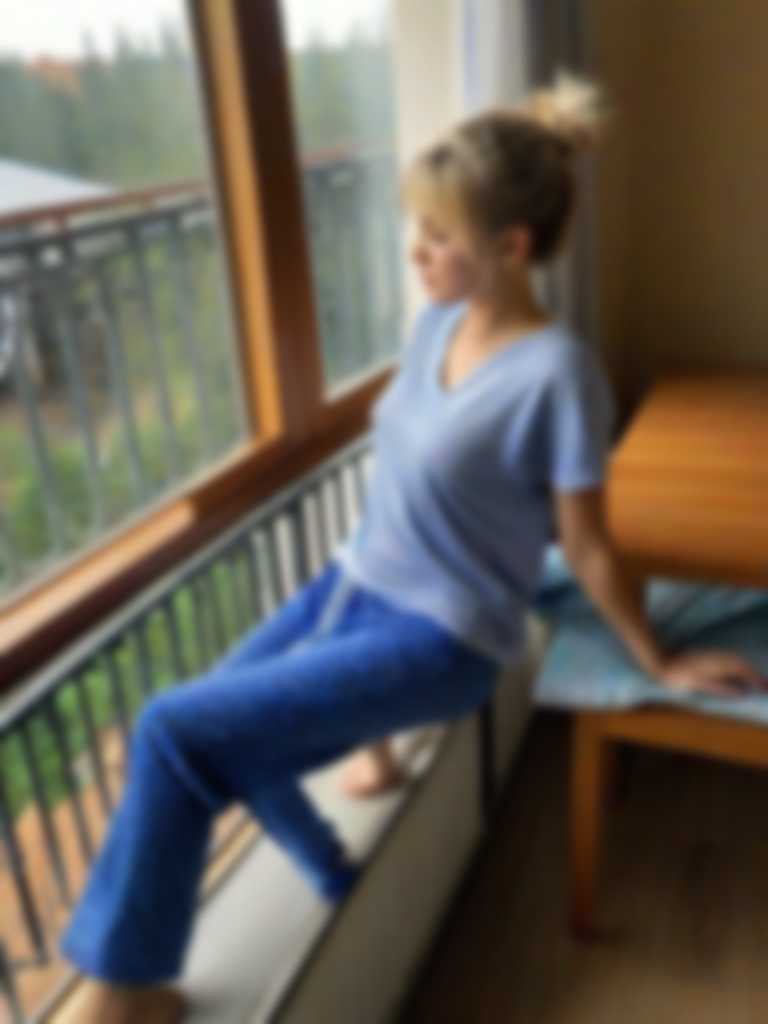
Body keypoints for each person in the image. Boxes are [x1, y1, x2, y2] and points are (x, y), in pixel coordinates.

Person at [58, 70, 767, 1023]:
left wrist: (660, 657)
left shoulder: (559, 376)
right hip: (351, 589)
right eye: (417, 228)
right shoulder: (436, 323)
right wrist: (376, 728)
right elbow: (406, 489)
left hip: (441, 640)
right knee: (208, 728)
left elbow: (589, 546)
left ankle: (127, 992)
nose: (414, 252)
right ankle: (327, 857)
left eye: (437, 235)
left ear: (511, 248)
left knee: (170, 730)